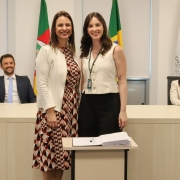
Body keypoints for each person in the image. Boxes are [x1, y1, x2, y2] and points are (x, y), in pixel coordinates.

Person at [32, 11, 80, 180]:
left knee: (63, 156)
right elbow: (42, 83)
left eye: (67, 25)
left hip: (70, 111)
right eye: (60, 25)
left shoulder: (73, 52)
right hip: (53, 110)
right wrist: (50, 111)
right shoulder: (46, 51)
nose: (64, 28)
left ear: (72, 28)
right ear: (54, 28)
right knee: (49, 155)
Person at [78, 12, 128, 137]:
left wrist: (123, 111)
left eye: (97, 25)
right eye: (90, 26)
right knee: (86, 143)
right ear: (86, 30)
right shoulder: (84, 52)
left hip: (109, 103)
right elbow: (82, 82)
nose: (94, 29)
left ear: (103, 27)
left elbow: (122, 82)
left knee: (108, 145)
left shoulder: (115, 50)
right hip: (87, 104)